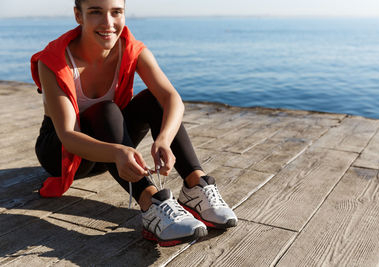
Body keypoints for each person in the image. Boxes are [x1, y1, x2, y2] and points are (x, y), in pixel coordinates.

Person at [31, 0, 237, 247]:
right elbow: (67, 135)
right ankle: (150, 202)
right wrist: (117, 151)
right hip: (62, 154)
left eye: (116, 12)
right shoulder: (53, 60)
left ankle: (195, 185)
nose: (108, 23)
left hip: (111, 154)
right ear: (78, 15)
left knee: (154, 99)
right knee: (106, 110)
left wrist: (163, 139)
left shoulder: (131, 50)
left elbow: (173, 99)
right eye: (96, 12)